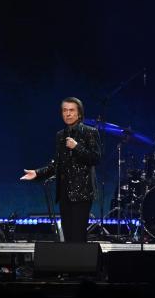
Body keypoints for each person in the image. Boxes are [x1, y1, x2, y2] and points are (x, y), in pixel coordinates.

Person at [21, 97, 101, 242]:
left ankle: (81, 264)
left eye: (71, 110)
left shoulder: (90, 132)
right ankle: (70, 264)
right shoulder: (60, 135)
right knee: (68, 235)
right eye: (65, 110)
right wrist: (37, 173)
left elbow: (95, 158)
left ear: (79, 114)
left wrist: (77, 147)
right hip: (64, 192)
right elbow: (56, 164)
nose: (68, 114)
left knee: (78, 235)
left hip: (82, 192)